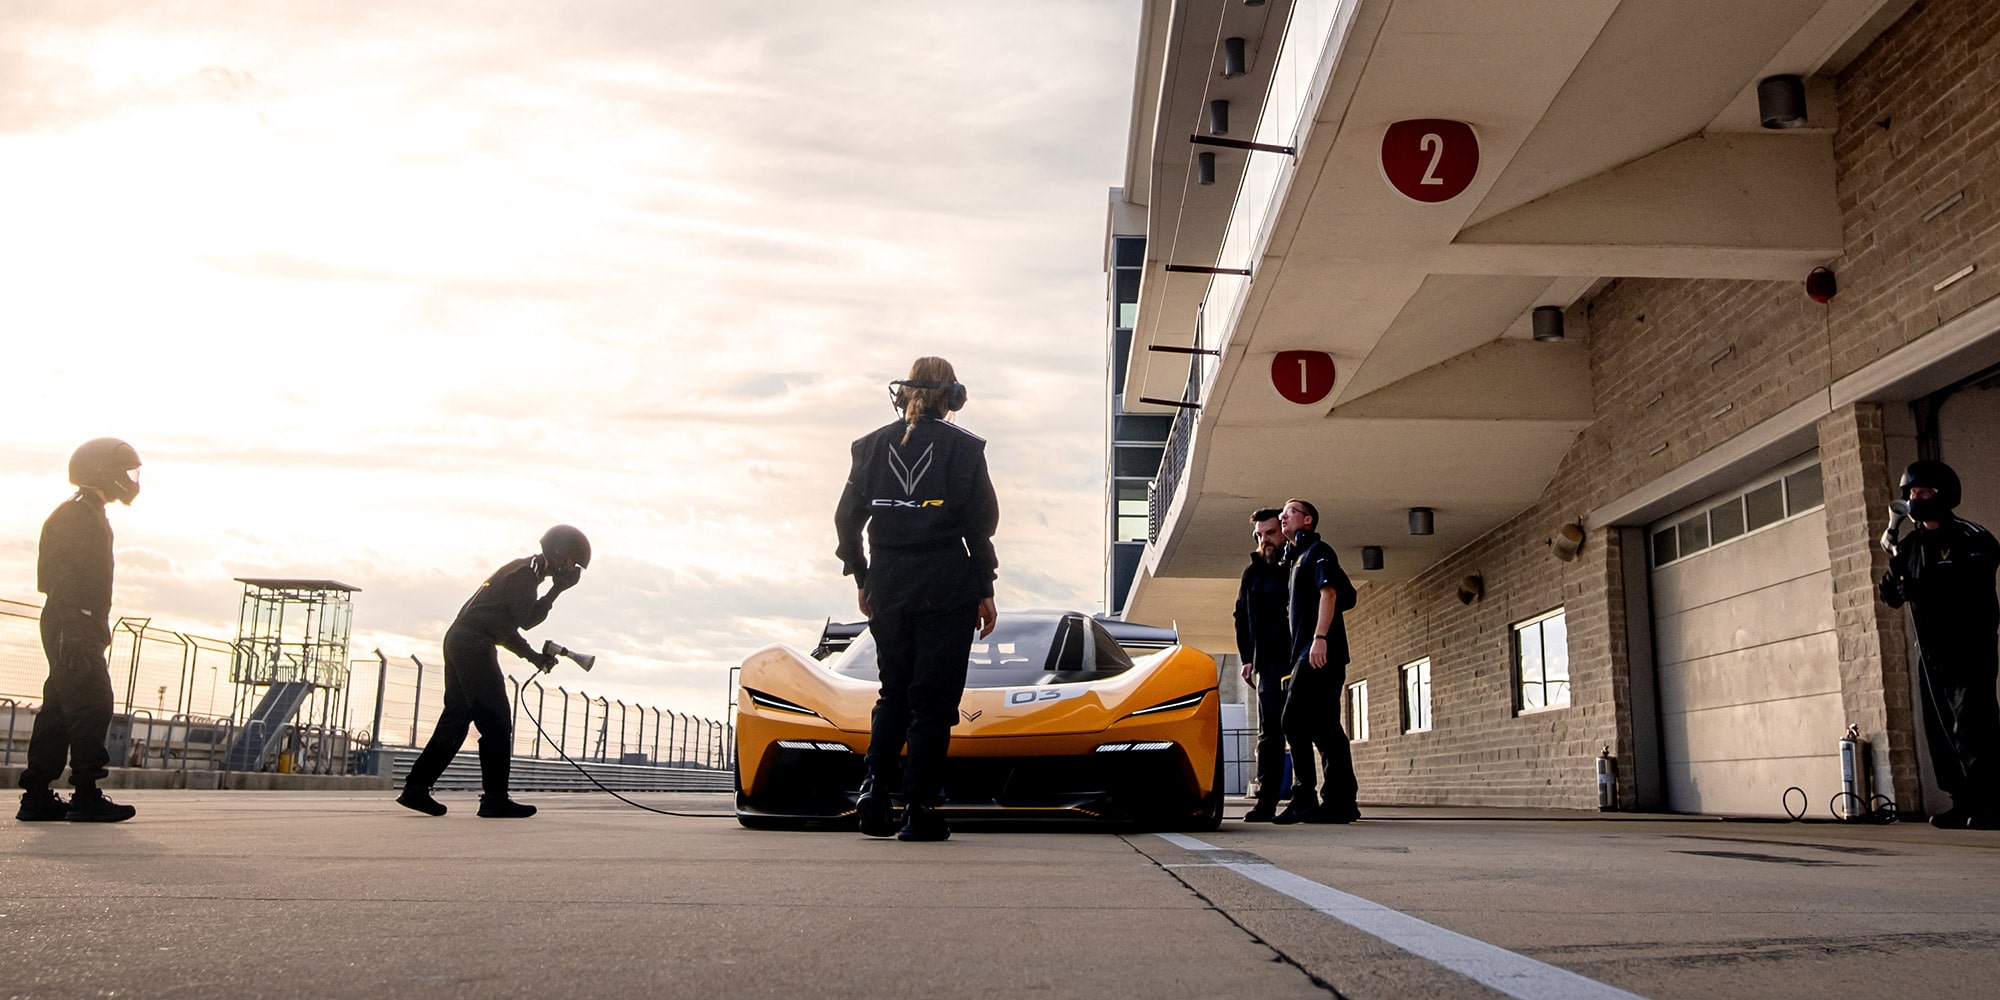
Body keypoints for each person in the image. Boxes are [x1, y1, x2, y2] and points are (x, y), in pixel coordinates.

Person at [835, 357, 1000, 842]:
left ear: (905, 392)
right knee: (933, 699)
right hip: (947, 581)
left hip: (888, 580)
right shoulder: (965, 449)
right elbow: (980, 525)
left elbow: (847, 521)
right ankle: (921, 809)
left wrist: (862, 576)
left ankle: (874, 793)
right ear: (952, 396)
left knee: (895, 692)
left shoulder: (868, 447)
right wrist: (985, 587)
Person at [397, 525, 589, 819]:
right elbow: (527, 620)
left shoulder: (526, 570)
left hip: (461, 639)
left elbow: (505, 627)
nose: (571, 569)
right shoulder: (526, 574)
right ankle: (494, 799)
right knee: (497, 721)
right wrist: (556, 591)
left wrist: (534, 658)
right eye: (571, 562)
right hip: (473, 644)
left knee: (456, 720)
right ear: (559, 552)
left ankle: (416, 789)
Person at [16, 439, 143, 823]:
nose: (130, 480)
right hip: (73, 619)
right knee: (94, 702)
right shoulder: (76, 516)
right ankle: (85, 793)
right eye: (124, 471)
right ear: (101, 470)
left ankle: (36, 795)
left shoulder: (88, 513)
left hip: (75, 619)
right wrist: (73, 624)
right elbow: (61, 573)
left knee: (57, 708)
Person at [1878, 459, 2000, 830]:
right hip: (1930, 654)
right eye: (1912, 493)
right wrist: (1892, 588)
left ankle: (1990, 803)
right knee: (1941, 729)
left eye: (1925, 492)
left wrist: (1923, 587)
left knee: (1973, 726)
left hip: (1969, 648)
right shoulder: (1911, 544)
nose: (1917, 498)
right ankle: (1960, 801)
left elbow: (1972, 586)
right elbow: (1899, 592)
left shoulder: (1972, 538)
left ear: (1944, 495)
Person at [1274, 498, 1360, 825]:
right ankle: (1340, 802)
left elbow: (1332, 594)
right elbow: (1348, 595)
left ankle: (1305, 798)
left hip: (1319, 654)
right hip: (1305, 654)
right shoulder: (1296, 558)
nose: (1283, 517)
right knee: (1324, 727)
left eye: (1290, 512)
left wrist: (1320, 638)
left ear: (1307, 520)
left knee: (1293, 721)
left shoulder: (1318, 551)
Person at [1234, 508, 1291, 822]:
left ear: (1282, 532)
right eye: (1259, 535)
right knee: (1270, 732)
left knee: (1309, 728)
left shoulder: (1296, 563)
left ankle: (1320, 798)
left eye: (1269, 533)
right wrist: (1246, 658)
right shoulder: (1252, 573)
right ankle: (1266, 802)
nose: (1264, 540)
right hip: (1266, 663)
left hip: (1299, 658)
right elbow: (1241, 617)